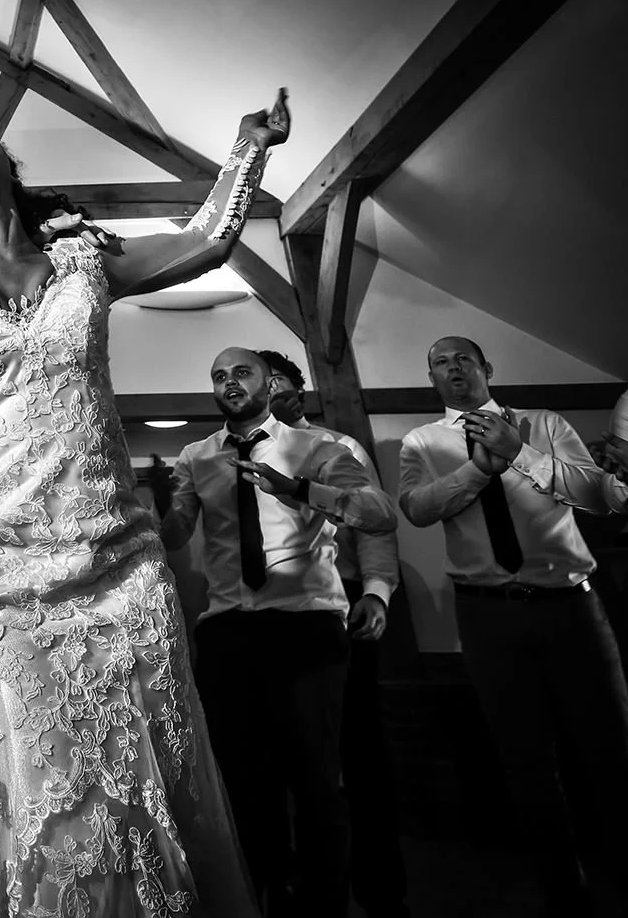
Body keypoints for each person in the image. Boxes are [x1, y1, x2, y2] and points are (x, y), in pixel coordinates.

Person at [0, 99, 292, 916]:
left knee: (137, 793)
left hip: (119, 567)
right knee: (33, 792)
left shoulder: (83, 261)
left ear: (9, 166)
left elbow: (209, 237)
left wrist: (248, 148)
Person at [154, 348, 398, 918]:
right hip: (227, 632)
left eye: (241, 372)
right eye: (219, 376)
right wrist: (156, 503)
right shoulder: (198, 455)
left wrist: (300, 491)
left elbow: (379, 513)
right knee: (242, 781)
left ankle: (326, 905)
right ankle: (262, 897)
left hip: (305, 626)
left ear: (271, 383)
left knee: (316, 778)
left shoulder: (319, 448)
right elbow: (173, 536)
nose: (229, 382)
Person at [398, 335, 628, 912]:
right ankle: (563, 892)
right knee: (524, 756)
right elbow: (418, 509)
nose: (453, 369)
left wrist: (519, 451)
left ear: (486, 368)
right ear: (432, 379)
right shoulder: (422, 441)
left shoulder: (544, 423)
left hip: (571, 605)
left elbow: (601, 498)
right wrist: (480, 469)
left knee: (611, 744)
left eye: (464, 359)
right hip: (487, 614)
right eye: (441, 364)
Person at [255, 349, 408, 918]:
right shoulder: (234, 455)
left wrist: (376, 591)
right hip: (267, 618)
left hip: (338, 603)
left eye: (280, 381)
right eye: (259, 381)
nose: (270, 391)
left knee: (358, 753)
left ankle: (381, 891)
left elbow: (373, 523)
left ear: (298, 389)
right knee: (283, 757)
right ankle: (293, 886)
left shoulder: (334, 446)